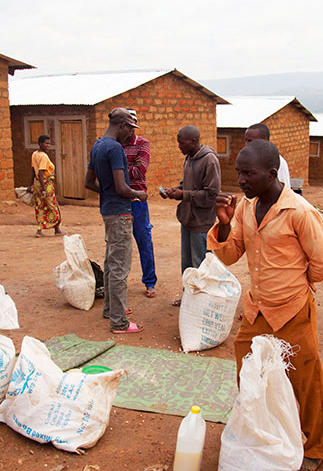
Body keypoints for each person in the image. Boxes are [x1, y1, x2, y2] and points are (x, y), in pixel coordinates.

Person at [208, 139, 323, 471]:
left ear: (271, 172)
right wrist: (224, 223)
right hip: (257, 310)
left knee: (305, 381)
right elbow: (231, 253)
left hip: (293, 310)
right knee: (248, 373)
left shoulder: (299, 212)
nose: (242, 180)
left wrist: (295, 284)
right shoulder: (246, 208)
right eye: (239, 173)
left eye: (248, 173)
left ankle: (317, 448)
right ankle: (261, 434)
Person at [85, 107, 147, 334]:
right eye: (129, 128)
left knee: (111, 264)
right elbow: (122, 187)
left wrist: (108, 191)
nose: (131, 134)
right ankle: (119, 322)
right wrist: (138, 194)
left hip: (107, 211)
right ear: (122, 126)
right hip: (121, 213)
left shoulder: (98, 146)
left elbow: (89, 183)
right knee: (120, 267)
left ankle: (111, 309)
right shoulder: (116, 149)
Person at [161, 125, 221, 307]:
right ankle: (189, 298)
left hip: (201, 222)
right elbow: (187, 184)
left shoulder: (209, 160)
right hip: (187, 219)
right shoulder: (189, 158)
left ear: (194, 141)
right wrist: (176, 190)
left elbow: (212, 194)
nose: (179, 146)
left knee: (201, 265)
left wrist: (184, 195)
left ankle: (203, 303)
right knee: (187, 266)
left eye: (182, 143)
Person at [122, 109, 157, 298]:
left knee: (144, 240)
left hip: (137, 201)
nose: (129, 130)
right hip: (119, 201)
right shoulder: (114, 144)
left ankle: (150, 282)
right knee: (119, 243)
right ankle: (119, 283)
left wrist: (116, 170)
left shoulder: (142, 143)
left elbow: (140, 170)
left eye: (132, 126)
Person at [31, 134, 63, 237]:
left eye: (49, 143)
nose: (48, 145)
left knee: (40, 206)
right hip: (45, 184)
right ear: (40, 143)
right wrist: (44, 189)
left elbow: (33, 171)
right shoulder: (43, 156)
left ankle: (40, 230)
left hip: (36, 184)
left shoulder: (34, 154)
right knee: (52, 205)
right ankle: (56, 227)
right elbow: (41, 173)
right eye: (46, 143)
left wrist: (30, 185)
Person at [244, 123, 290, 188]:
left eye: (250, 141)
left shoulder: (278, 161)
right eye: (245, 141)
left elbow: (284, 188)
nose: (246, 145)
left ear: (264, 140)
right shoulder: (251, 160)